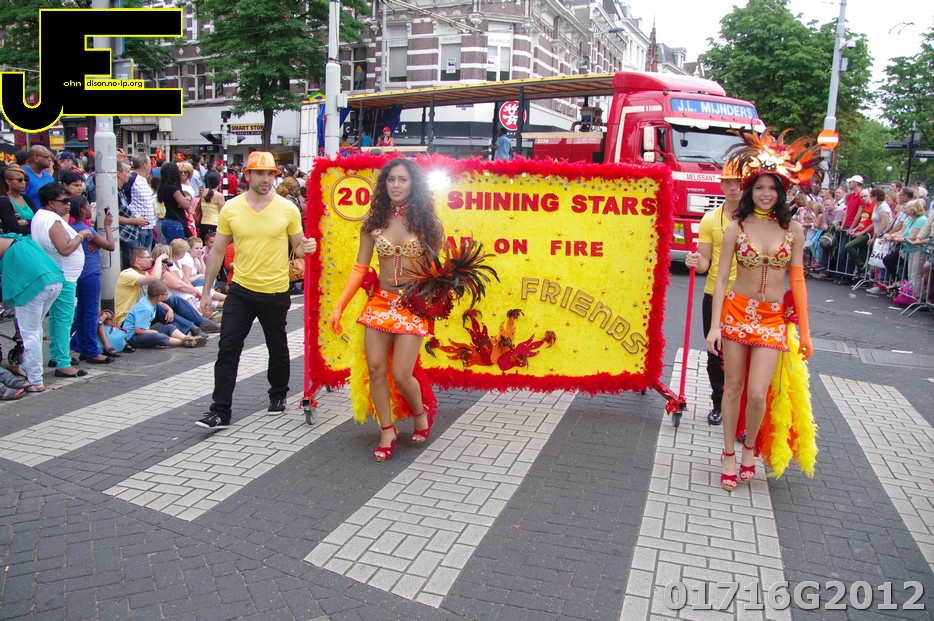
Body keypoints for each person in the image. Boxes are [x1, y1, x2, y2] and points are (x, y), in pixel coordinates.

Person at [706, 129, 819, 492]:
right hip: (737, 312)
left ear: (781, 192)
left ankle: (749, 448)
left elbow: (797, 281)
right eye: (759, 188)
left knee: (758, 393)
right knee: (733, 387)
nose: (765, 194)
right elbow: (720, 280)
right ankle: (728, 453)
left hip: (772, 319)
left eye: (772, 188)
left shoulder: (793, 230)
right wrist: (715, 326)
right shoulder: (735, 228)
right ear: (750, 190)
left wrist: (806, 332)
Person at [330, 158, 443, 461]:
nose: (396, 185)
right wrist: (340, 306)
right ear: (384, 184)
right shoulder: (373, 222)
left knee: (402, 374)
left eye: (402, 179)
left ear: (413, 183)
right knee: (376, 369)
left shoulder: (429, 224)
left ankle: (420, 413)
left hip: (412, 305)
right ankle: (387, 430)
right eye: (391, 179)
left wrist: (433, 301)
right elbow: (360, 267)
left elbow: (436, 270)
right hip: (379, 303)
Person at [195, 151, 317, 430]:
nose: (265, 179)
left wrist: (307, 247)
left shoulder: (287, 208)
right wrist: (206, 291)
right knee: (228, 347)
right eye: (259, 173)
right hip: (241, 289)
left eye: (270, 174)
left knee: (277, 345)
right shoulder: (231, 208)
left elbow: (298, 247)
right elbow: (217, 251)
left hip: (275, 290)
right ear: (247, 175)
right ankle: (220, 411)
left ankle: (278, 393)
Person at [684, 160, 742, 426]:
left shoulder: (757, 219)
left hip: (747, 299)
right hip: (714, 295)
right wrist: (694, 262)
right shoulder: (710, 219)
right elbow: (705, 262)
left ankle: (741, 411)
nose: (733, 188)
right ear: (721, 186)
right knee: (715, 354)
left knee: (744, 356)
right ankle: (719, 404)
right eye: (728, 183)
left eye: (738, 183)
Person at [30, 182, 91, 379]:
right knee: (64, 319)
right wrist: (81, 235)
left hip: (58, 274)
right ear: (51, 202)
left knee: (57, 318)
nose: (68, 204)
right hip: (64, 276)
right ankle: (63, 363)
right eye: (64, 201)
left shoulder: (42, 216)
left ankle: (57, 355)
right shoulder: (51, 219)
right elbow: (65, 249)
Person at [0, 232, 65, 393]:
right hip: (53, 280)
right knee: (35, 329)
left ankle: (35, 380)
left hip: (35, 285)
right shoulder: (16, 240)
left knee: (30, 333)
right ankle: (28, 368)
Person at [115, 246, 220, 334]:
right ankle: (193, 329)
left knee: (175, 300)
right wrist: (159, 259)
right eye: (148, 257)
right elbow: (155, 281)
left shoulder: (145, 274)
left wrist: (161, 274)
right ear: (138, 260)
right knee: (158, 306)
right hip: (128, 320)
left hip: (145, 313)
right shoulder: (127, 274)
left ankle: (202, 324)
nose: (151, 259)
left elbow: (156, 293)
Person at [68, 195, 115, 364]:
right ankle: (92, 351)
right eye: (88, 207)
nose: (90, 210)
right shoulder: (87, 230)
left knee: (81, 311)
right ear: (82, 210)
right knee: (90, 312)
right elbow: (111, 246)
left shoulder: (71, 228)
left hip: (78, 274)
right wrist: (107, 226)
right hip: (90, 273)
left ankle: (84, 347)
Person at [124, 279, 207, 349]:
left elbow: (162, 304)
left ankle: (186, 338)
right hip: (132, 337)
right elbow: (138, 330)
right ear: (160, 297)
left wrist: (169, 309)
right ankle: (184, 342)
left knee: (169, 327)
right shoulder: (145, 309)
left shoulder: (149, 299)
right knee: (159, 337)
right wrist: (152, 331)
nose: (167, 295)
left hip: (144, 331)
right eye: (166, 294)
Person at [157, 162, 192, 244]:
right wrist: (188, 199)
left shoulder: (163, 187)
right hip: (175, 222)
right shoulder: (173, 189)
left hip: (166, 220)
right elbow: (185, 205)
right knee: (178, 248)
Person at [0, 164, 35, 235]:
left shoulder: (26, 198)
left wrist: (26, 222)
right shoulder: (4, 201)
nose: (24, 183)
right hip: (18, 239)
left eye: (25, 180)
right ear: (8, 181)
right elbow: (14, 228)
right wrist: (33, 224)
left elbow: (38, 219)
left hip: (33, 237)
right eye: (20, 180)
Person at [23, 146, 55, 210]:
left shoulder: (49, 177)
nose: (49, 160)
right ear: (36, 158)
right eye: (46, 157)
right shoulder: (22, 175)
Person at [198, 171, 225, 239]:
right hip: (215, 224)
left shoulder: (204, 191)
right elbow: (222, 212)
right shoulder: (220, 196)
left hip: (203, 224)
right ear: (219, 182)